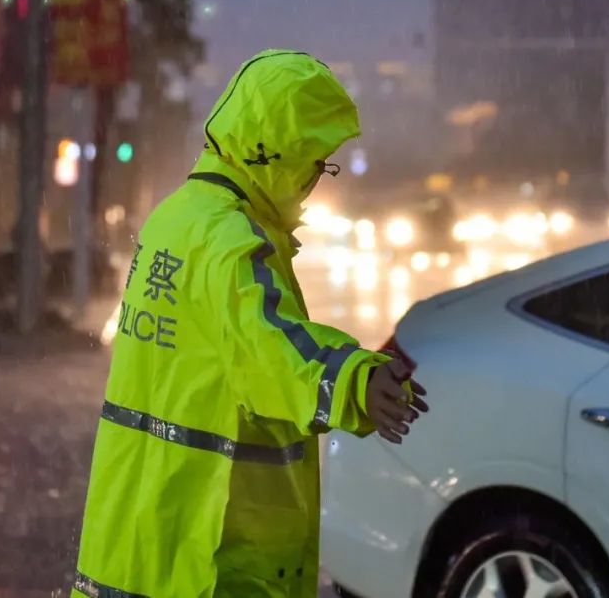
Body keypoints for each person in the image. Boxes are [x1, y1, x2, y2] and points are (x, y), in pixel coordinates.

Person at [72, 50, 428, 598]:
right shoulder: (232, 241)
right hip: (213, 546)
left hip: (141, 533)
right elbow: (269, 347)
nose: (315, 180)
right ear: (277, 151)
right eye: (314, 160)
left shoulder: (176, 218)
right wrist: (355, 380)